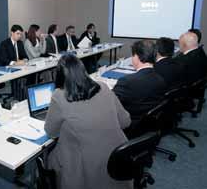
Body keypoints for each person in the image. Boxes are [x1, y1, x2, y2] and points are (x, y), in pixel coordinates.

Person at [45, 54, 132, 189]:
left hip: (85, 165)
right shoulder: (103, 86)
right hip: (118, 156)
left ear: (60, 76)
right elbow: (125, 121)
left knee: (50, 157)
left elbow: (51, 132)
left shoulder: (58, 95)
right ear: (83, 70)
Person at [113, 40, 167, 125]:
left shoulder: (127, 81)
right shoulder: (160, 78)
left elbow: (112, 104)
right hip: (150, 123)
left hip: (131, 124)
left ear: (137, 57)